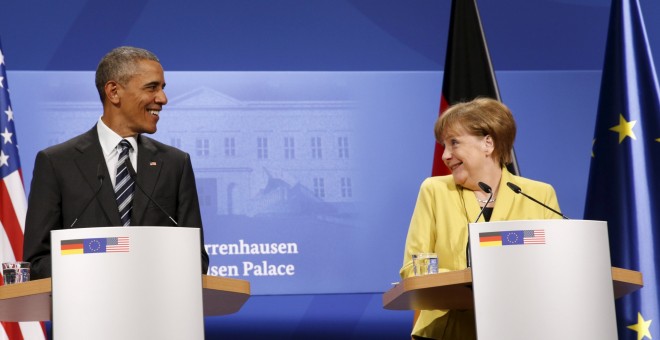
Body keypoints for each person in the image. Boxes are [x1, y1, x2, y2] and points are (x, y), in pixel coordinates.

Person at [23, 46, 209, 279]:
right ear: (113, 92)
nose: (162, 99)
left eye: (162, 88)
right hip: (86, 311)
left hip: (160, 311)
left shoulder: (175, 164)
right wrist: (108, 263)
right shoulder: (56, 163)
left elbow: (196, 259)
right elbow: (37, 263)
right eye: (152, 87)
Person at [400, 97, 562, 339]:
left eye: (454, 143)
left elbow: (558, 265)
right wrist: (467, 280)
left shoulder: (538, 194)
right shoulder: (435, 191)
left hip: (520, 330)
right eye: (444, 145)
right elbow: (414, 268)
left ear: (488, 143)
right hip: (449, 330)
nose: (445, 155)